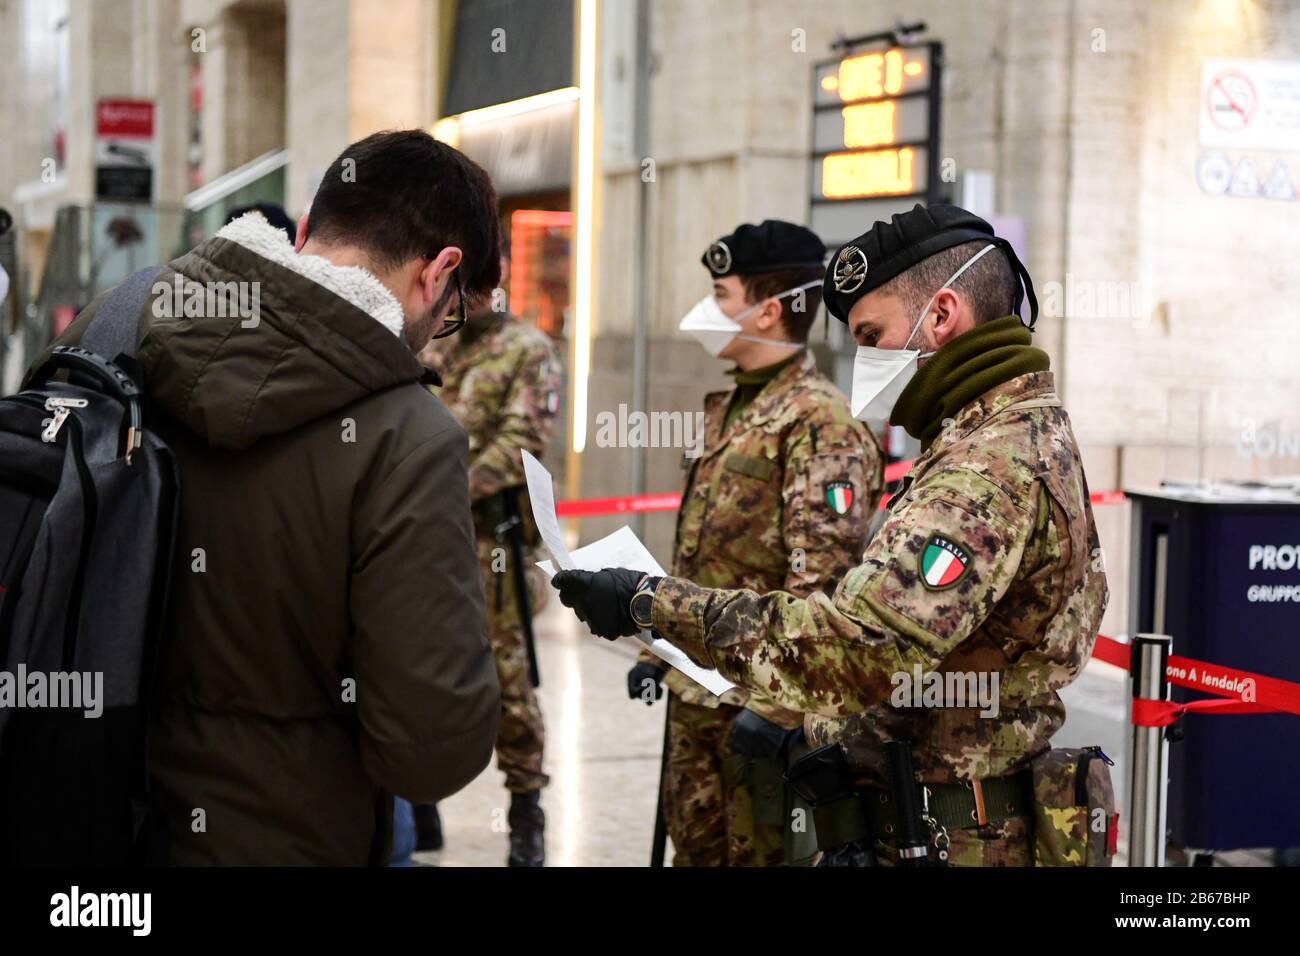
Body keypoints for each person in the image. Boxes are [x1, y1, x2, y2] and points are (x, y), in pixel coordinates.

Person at [553, 203, 1109, 867]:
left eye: (872, 336)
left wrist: (651, 603)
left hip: (954, 835)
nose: (864, 361)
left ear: (941, 314)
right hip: (923, 814)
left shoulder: (987, 468)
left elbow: (860, 644)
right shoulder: (1006, 433)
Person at [36, 129, 503, 865]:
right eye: (452, 312)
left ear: (312, 228)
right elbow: (429, 750)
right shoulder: (407, 439)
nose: (439, 336)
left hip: (72, 821)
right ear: (440, 271)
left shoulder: (119, 319)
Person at [632, 220, 881, 866]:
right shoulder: (729, 408)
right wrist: (662, 652)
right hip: (699, 699)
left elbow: (821, 592)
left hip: (759, 723)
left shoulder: (820, 424)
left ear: (769, 311)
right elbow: (707, 559)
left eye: (722, 294)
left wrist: (778, 709)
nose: (707, 310)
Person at [417, 236, 562, 867]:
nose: (459, 301)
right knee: (414, 669)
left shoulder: (529, 351)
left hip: (492, 546)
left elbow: (521, 447)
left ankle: (526, 808)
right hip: (426, 543)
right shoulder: (436, 344)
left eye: (470, 290)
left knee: (506, 683)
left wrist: (439, 487)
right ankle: (416, 803)